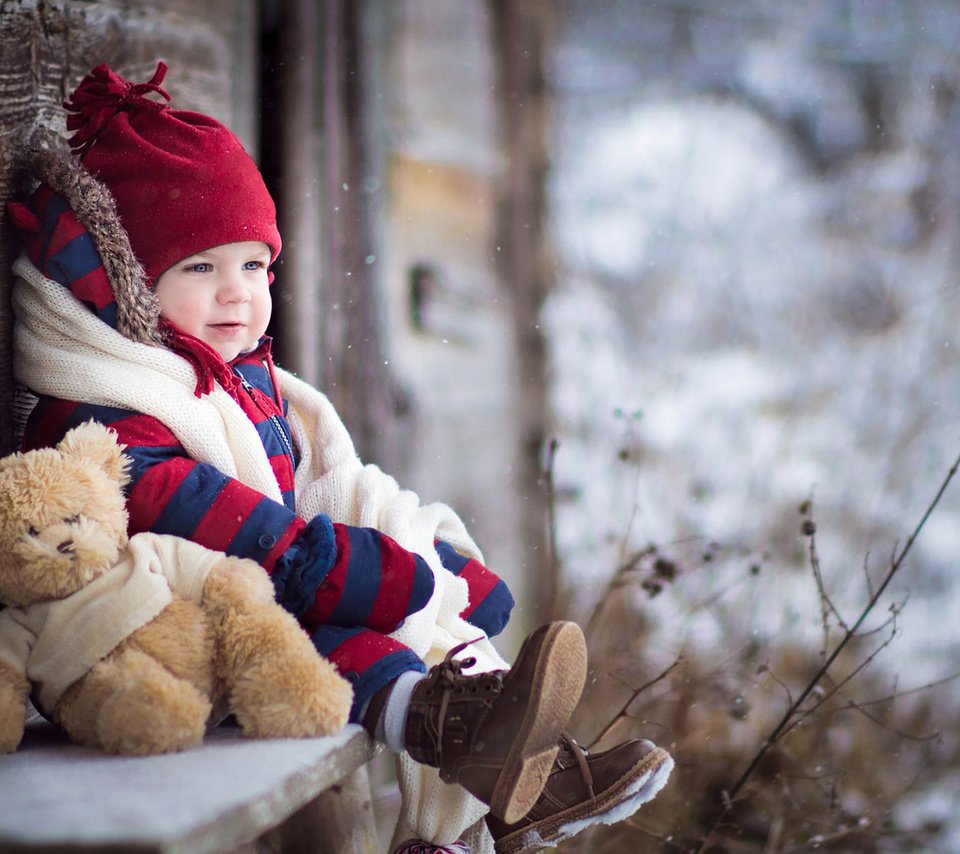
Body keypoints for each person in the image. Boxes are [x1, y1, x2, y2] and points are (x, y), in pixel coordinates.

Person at [7, 62, 673, 853]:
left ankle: (531, 774)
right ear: (133, 287)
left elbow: (323, 485)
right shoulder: (105, 406)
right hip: (158, 641)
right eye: (201, 268)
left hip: (252, 597)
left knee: (382, 615)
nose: (238, 295)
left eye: (254, 266)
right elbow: (189, 505)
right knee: (334, 629)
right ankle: (460, 736)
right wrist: (324, 564)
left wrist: (432, 561)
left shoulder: (229, 379)